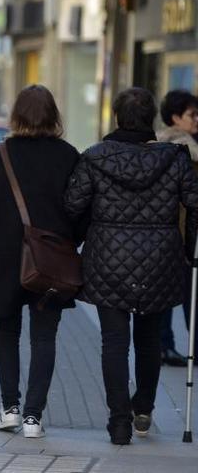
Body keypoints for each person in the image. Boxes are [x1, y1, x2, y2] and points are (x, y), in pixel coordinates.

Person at [64, 87, 198, 445]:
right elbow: (195, 204)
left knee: (114, 342)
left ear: (116, 117)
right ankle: (144, 409)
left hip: (108, 258)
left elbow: (73, 206)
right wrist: (189, 249)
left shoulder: (94, 157)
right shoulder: (176, 157)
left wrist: (80, 240)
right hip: (160, 258)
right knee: (149, 340)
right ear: (152, 119)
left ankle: (119, 422)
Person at [0, 85, 81, 440]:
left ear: (16, 115)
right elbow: (79, 209)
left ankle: (10, 409)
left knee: (7, 331)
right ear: (54, 116)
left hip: (3, 257)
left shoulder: (1, 153)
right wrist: (67, 243)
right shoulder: (69, 155)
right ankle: (34, 417)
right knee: (44, 336)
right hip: (50, 260)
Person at [157, 90, 198, 367]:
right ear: (175, 118)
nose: (197, 119)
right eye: (192, 115)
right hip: (184, 233)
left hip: (159, 233)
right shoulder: (188, 152)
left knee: (165, 293)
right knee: (189, 294)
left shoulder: (154, 146)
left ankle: (165, 345)